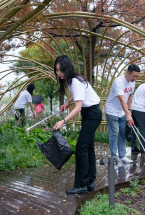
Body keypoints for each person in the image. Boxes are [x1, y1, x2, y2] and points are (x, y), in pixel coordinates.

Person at [53, 55, 102, 195]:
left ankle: (81, 185)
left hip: (91, 114)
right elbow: (79, 95)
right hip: (90, 114)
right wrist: (68, 101)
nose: (59, 73)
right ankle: (90, 182)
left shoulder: (75, 81)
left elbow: (78, 107)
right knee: (88, 148)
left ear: (67, 68)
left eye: (61, 70)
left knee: (81, 148)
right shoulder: (72, 80)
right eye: (56, 70)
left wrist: (63, 121)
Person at [105, 64, 140, 163]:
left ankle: (122, 156)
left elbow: (129, 97)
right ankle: (113, 156)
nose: (135, 78)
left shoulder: (132, 82)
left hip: (122, 112)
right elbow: (121, 99)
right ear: (128, 73)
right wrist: (128, 114)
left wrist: (129, 111)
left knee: (123, 133)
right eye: (134, 76)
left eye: (137, 76)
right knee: (114, 133)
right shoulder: (118, 82)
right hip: (112, 111)